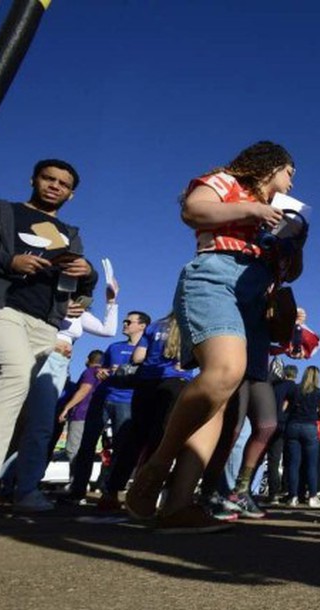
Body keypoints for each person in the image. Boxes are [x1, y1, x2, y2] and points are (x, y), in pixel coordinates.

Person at [125, 141, 298, 533]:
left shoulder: (281, 214)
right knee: (223, 371)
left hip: (257, 295)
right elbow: (194, 210)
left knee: (224, 401)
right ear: (271, 167)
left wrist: (294, 244)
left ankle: (179, 504)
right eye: (289, 173)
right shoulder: (227, 181)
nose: (290, 184)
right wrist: (254, 209)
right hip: (217, 276)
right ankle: (156, 468)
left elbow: (292, 271)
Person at [0, 159, 95, 514]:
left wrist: (87, 275)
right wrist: (9, 262)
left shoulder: (70, 233)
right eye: (49, 178)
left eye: (63, 183)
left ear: (71, 194)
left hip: (46, 323)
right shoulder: (2, 212)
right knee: (14, 371)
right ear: (33, 179)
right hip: (2, 308)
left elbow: (80, 285)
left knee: (38, 410)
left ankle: (26, 489)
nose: (54, 186)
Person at [10, 280, 119, 512]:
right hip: (37, 355)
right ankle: (4, 481)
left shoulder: (79, 313)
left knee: (40, 425)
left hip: (58, 365)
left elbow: (107, 330)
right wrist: (56, 310)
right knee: (16, 421)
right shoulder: (42, 298)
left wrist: (111, 301)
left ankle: (23, 487)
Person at [97, 313, 195, 512]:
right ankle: (144, 493)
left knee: (135, 438)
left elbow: (138, 357)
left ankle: (111, 492)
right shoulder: (193, 325)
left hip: (146, 382)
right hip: (175, 383)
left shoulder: (155, 327)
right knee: (161, 439)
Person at [67, 310, 150, 501]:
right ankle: (77, 489)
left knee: (121, 449)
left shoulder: (147, 350)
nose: (125, 324)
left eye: (129, 321)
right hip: (103, 399)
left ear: (142, 326)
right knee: (87, 445)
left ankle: (109, 491)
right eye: (125, 321)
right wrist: (102, 373)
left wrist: (124, 372)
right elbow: (101, 369)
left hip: (126, 402)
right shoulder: (113, 347)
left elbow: (146, 374)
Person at [284, 365, 320, 507]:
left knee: (293, 464)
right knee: (311, 464)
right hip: (309, 427)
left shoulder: (294, 389)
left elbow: (284, 408)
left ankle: (293, 497)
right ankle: (313, 497)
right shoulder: (319, 393)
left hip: (293, 426)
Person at [264, 363, 298, 504]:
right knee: (291, 462)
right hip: (291, 427)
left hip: (274, 423)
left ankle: (273, 494)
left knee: (273, 460)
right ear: (295, 375)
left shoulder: (275, 386)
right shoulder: (297, 389)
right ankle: (290, 492)